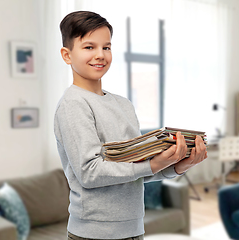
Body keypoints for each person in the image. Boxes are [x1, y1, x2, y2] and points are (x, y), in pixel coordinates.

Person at [54, 11, 207, 240]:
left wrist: (178, 165)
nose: (100, 55)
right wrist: (151, 165)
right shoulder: (73, 104)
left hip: (134, 230)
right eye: (89, 47)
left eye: (106, 47)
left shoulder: (123, 104)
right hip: (94, 234)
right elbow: (89, 173)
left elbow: (135, 172)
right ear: (67, 55)